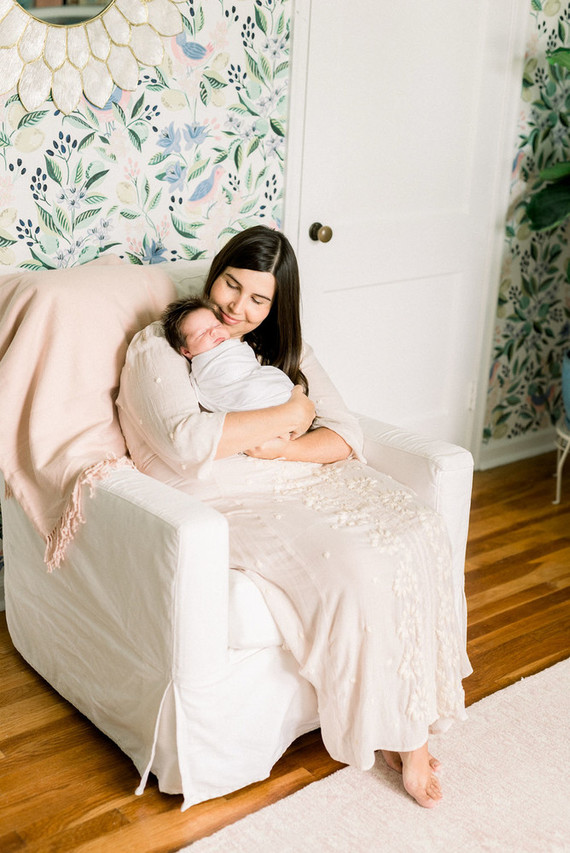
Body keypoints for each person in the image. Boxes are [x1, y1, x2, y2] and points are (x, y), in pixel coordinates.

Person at [116, 225, 471, 808]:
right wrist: (294, 408)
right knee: (357, 562)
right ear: (215, 275)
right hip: (229, 493)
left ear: (278, 304)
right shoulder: (163, 344)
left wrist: (288, 442)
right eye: (231, 286)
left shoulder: (286, 347)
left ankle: (409, 715)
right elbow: (186, 440)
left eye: (259, 299)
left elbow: (345, 433)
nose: (237, 308)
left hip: (302, 469)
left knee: (422, 528)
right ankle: (405, 740)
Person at [161, 295, 295, 414]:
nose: (214, 332)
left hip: (269, 390)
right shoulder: (203, 368)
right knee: (251, 394)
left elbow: (251, 370)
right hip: (249, 407)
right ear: (187, 352)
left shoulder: (237, 347)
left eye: (217, 325)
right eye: (202, 333)